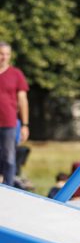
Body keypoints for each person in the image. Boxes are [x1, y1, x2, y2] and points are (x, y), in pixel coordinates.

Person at [0, 41, 30, 187]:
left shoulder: (16, 74)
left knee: (9, 157)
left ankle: (8, 186)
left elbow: (23, 100)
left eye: (7, 54)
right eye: (1, 54)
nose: (4, 57)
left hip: (8, 122)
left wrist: (24, 125)